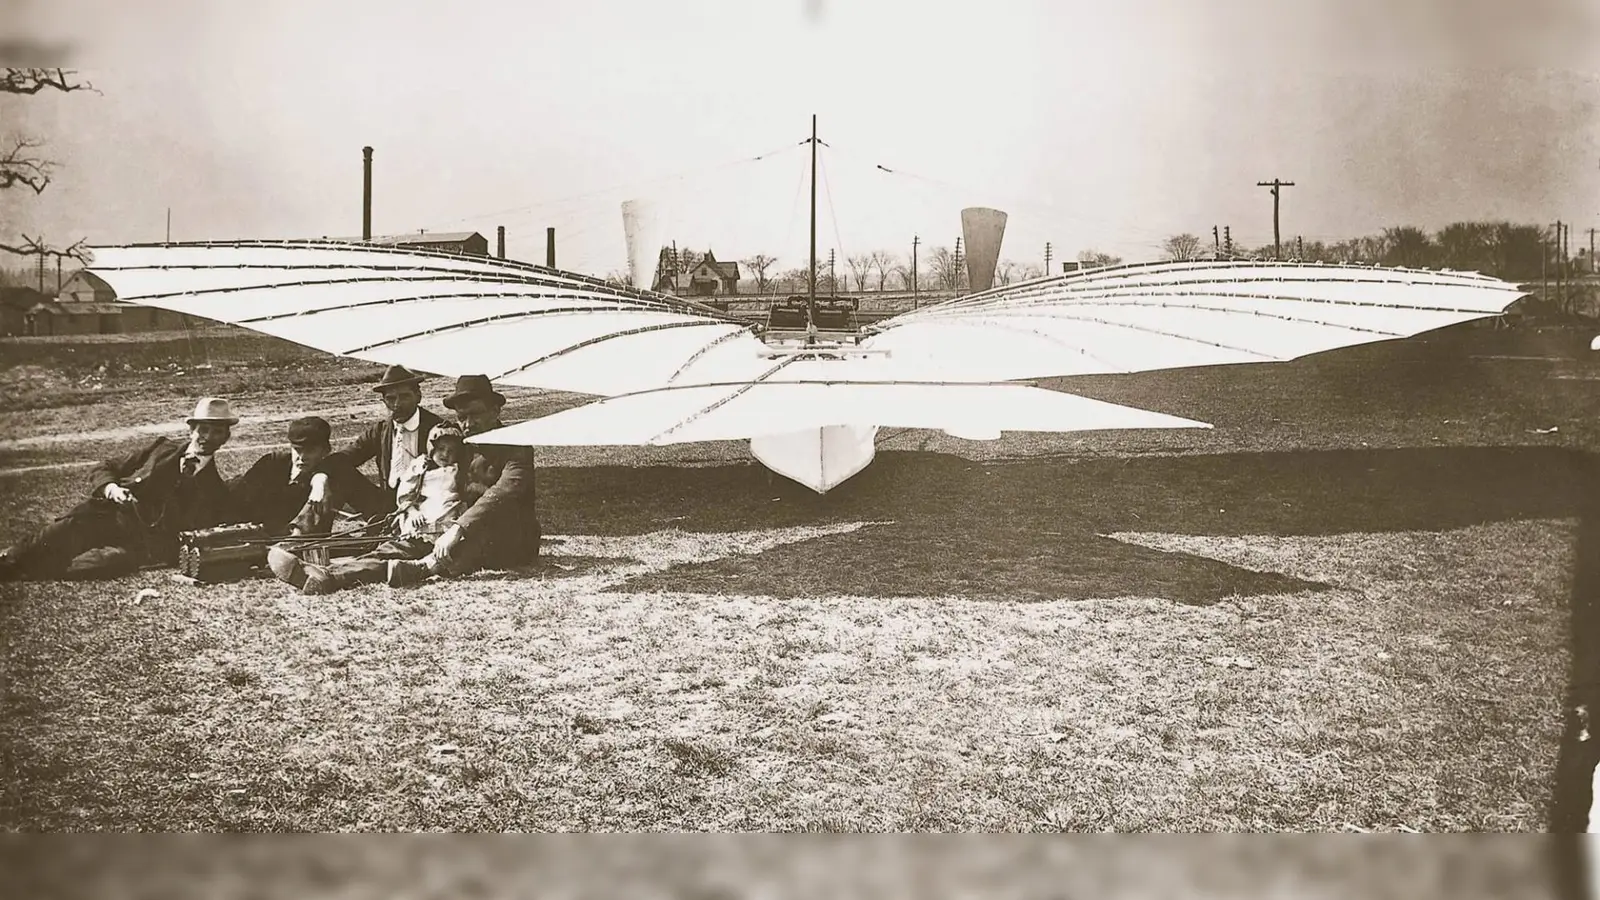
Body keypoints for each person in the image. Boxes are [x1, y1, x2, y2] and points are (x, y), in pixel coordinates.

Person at [266, 375, 540, 593]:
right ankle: (321, 570)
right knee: (405, 545)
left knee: (432, 552)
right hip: (449, 525)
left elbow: (503, 493)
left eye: (475, 414)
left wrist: (456, 529)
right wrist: (413, 511)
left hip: (504, 536)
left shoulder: (517, 446)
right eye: (462, 417)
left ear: (496, 409)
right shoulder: (460, 445)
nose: (467, 424)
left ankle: (345, 575)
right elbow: (433, 484)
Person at [0, 398, 242, 581]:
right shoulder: (161, 449)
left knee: (92, 566)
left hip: (133, 545)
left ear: (225, 438)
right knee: (41, 543)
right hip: (104, 517)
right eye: (204, 429)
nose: (208, 437)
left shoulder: (215, 490)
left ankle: (25, 573)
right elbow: (106, 466)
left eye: (217, 431)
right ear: (192, 430)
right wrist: (112, 489)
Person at [226, 416, 373, 537]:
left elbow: (374, 505)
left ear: (325, 450)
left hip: (305, 548)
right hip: (258, 541)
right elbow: (238, 500)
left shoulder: (336, 474)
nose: (302, 457)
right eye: (297, 450)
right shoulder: (271, 464)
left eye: (310, 451)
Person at [330, 364, 444, 518]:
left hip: (426, 504)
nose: (397, 404)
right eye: (391, 398)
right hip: (387, 504)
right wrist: (320, 478)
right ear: (384, 401)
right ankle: (308, 533)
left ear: (418, 396)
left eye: (404, 396)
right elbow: (347, 456)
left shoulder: (436, 429)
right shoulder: (381, 430)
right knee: (337, 471)